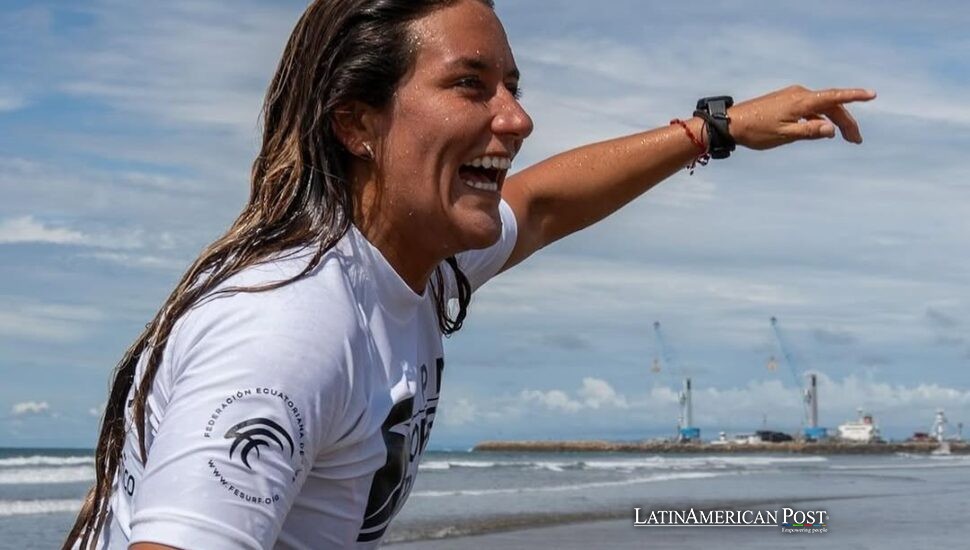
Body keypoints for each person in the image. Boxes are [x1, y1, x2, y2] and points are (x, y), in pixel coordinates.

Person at [64, 0, 875, 548]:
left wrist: (714, 129)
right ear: (356, 122)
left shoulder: (412, 265)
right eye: (469, 86)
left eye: (513, 88)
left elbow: (550, 202)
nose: (516, 118)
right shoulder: (288, 326)